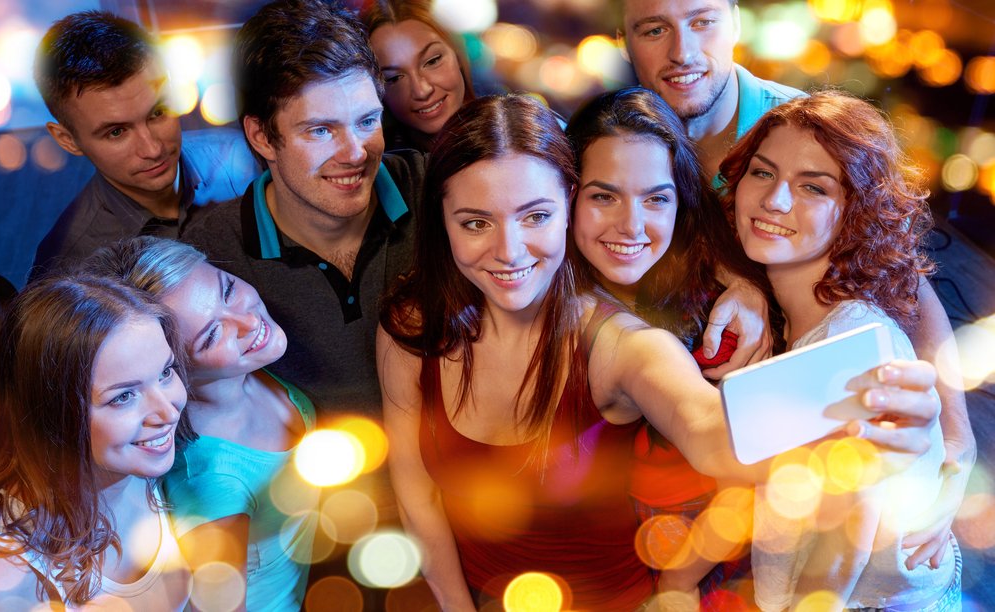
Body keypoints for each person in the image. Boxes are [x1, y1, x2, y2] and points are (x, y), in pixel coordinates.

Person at [377, 93, 942, 610]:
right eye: (475, 222)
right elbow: (414, 485)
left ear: (563, 204)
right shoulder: (412, 324)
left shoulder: (624, 341)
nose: (509, 250)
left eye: (536, 215)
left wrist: (881, 419)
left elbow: (713, 432)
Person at [614, 0, 974, 564]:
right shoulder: (631, 132)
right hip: (717, 422)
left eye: (702, 21)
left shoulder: (793, 126)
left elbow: (905, 277)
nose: (681, 52)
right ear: (624, 39)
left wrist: (958, 436)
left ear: (735, 21)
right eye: (654, 29)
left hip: (814, 396)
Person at [721, 90, 961, 611]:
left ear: (857, 211)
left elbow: (841, 549)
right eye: (762, 173)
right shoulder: (808, 316)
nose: (775, 201)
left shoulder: (849, 346)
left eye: (813, 187)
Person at [566, 86, 766, 604]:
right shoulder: (545, 288)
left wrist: (681, 579)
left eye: (656, 198)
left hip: (706, 566)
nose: (631, 225)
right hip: (608, 568)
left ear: (682, 202)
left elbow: (747, 473)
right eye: (603, 196)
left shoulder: (719, 322)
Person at [183, 0, 423, 419]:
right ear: (261, 137)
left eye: (367, 121)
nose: (355, 153)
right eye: (320, 130)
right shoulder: (211, 260)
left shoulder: (436, 191)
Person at [83, 236, 318, 611]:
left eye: (228, 289)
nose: (247, 321)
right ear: (171, 367)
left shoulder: (250, 371)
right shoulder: (211, 483)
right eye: (211, 336)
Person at [0, 274, 191, 608]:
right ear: (53, 414)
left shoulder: (164, 470)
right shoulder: (11, 572)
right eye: (124, 396)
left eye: (165, 373)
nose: (167, 411)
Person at [29, 10, 257, 277]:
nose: (153, 149)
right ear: (67, 140)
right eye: (116, 132)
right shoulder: (70, 269)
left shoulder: (244, 158)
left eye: (158, 112)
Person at [361, 0, 476, 152]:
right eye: (394, 78)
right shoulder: (380, 168)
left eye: (432, 61)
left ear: (457, 54)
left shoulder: (510, 130)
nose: (421, 91)